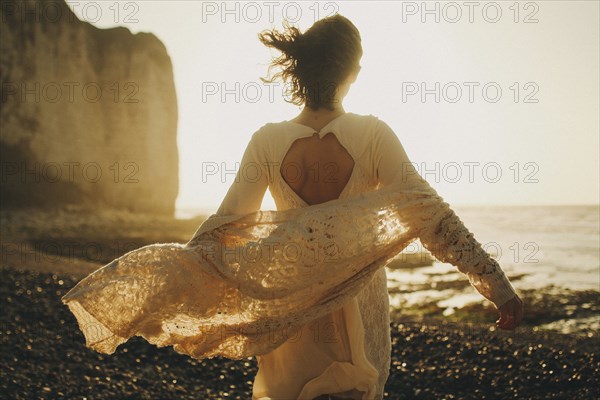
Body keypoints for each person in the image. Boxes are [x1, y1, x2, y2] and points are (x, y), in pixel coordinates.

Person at [61, 13, 523, 400]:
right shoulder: (373, 133)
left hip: (290, 310)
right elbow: (430, 215)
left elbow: (224, 227)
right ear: (353, 71)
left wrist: (175, 279)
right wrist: (494, 282)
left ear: (301, 69)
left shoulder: (267, 140)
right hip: (356, 307)